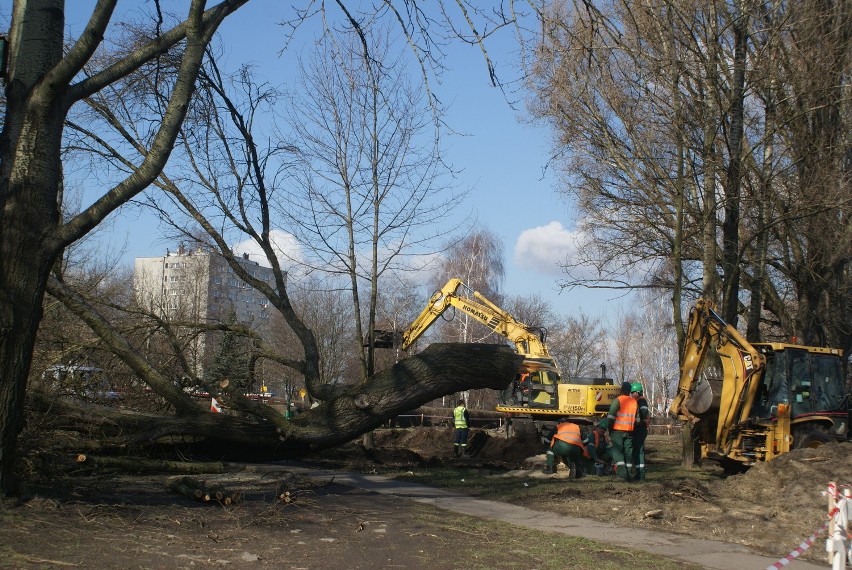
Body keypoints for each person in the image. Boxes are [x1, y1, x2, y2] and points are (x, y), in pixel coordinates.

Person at [600, 381, 637, 481]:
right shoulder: (634, 402)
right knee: (628, 453)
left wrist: (609, 428)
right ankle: (629, 474)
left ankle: (621, 475)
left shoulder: (618, 400)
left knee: (617, 453)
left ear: (621, 390)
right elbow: (637, 419)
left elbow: (611, 416)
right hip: (629, 431)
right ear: (630, 391)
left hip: (617, 430)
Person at [631, 382, 650, 482]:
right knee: (637, 451)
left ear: (637, 392)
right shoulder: (638, 400)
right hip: (640, 428)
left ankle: (640, 475)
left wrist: (638, 420)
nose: (631, 394)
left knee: (638, 451)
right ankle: (639, 474)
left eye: (633, 392)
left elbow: (643, 412)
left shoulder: (641, 401)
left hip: (640, 428)